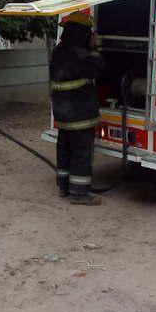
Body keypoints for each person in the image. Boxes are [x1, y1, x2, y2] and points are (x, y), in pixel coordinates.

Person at [50, 12, 105, 205]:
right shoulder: (81, 54)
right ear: (82, 32)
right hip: (79, 113)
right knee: (81, 153)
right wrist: (95, 48)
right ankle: (79, 194)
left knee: (64, 149)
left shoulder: (59, 50)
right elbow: (98, 69)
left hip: (62, 112)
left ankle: (64, 187)